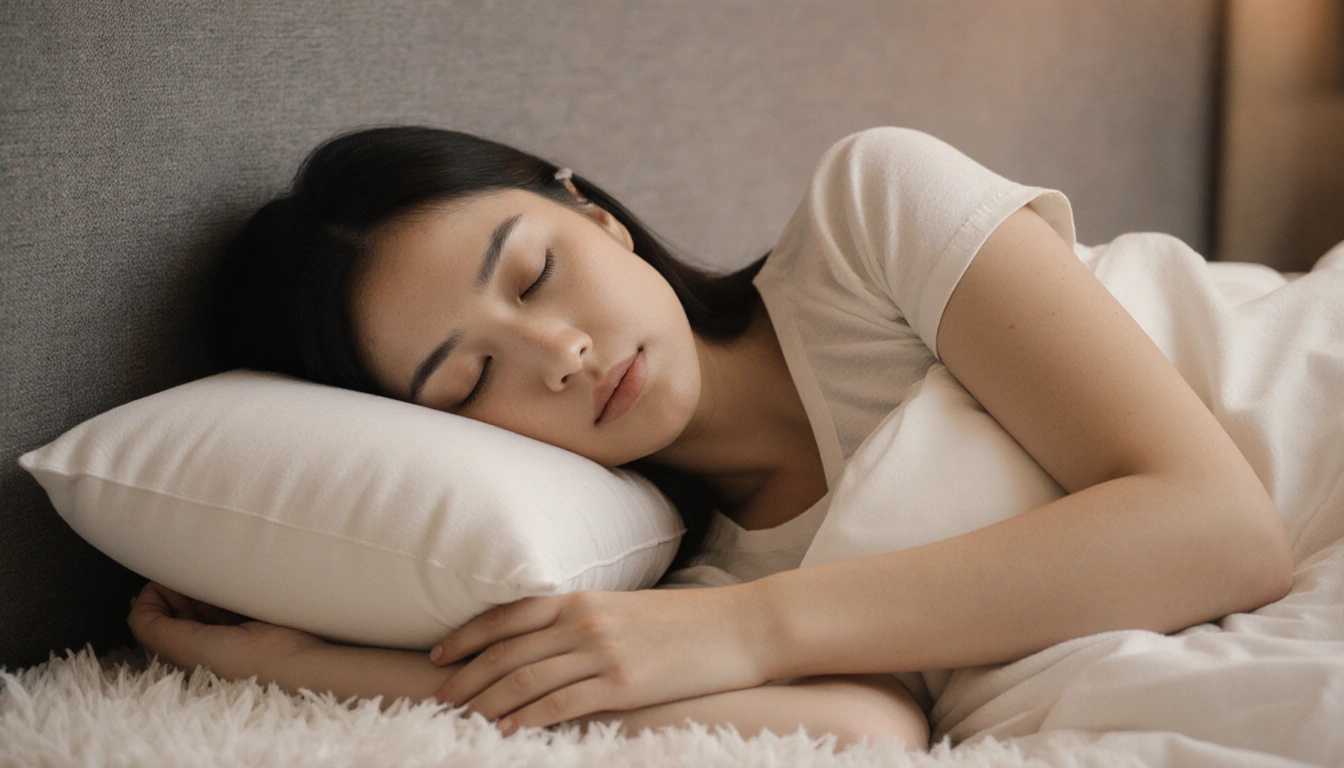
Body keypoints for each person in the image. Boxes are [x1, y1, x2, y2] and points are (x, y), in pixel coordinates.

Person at [128, 125, 1302, 753]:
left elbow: (1221, 532)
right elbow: (864, 730)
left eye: (537, 273)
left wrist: (739, 631)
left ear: (592, 212)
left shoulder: (868, 222)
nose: (563, 356)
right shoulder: (675, 578)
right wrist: (290, 671)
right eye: (474, 376)